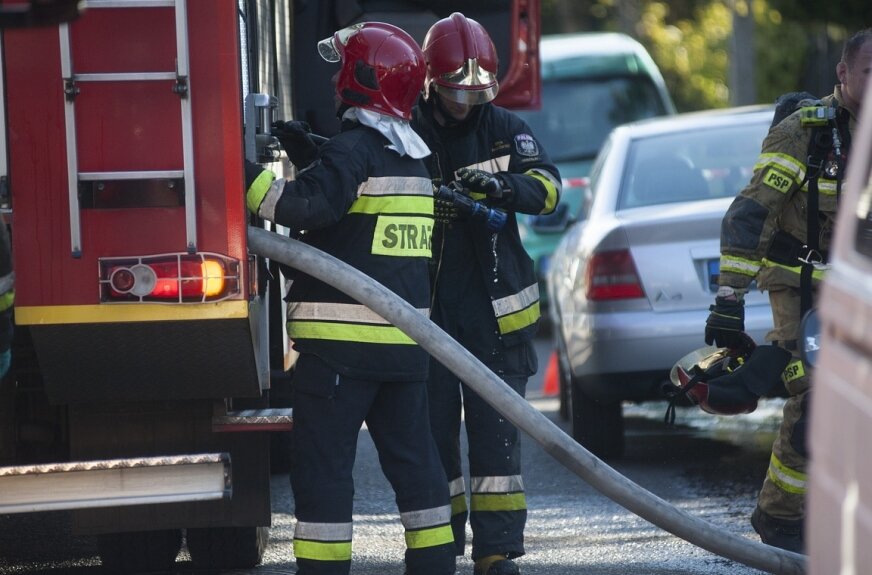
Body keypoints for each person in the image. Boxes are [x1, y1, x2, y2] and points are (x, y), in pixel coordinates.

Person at [244, 22, 455, 575]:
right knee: (417, 469)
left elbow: (308, 209)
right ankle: (436, 565)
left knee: (324, 474)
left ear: (361, 78)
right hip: (403, 351)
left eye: (345, 68)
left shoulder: (355, 149)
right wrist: (315, 153)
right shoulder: (414, 158)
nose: (337, 79)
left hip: (339, 353)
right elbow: (361, 215)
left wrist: (238, 177)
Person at [705, 28, 872, 553]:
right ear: (842, 73)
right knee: (814, 396)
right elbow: (752, 214)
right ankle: (779, 517)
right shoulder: (807, 132)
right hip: (804, 284)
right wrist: (729, 299)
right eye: (869, 72)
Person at [411, 13, 562, 575]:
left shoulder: (503, 128)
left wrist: (504, 187)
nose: (464, 102)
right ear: (431, 80)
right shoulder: (405, 131)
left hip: (496, 319)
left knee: (497, 448)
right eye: (455, 91)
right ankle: (439, 550)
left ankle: (498, 553)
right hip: (426, 314)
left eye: (475, 92)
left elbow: (548, 188)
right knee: (433, 444)